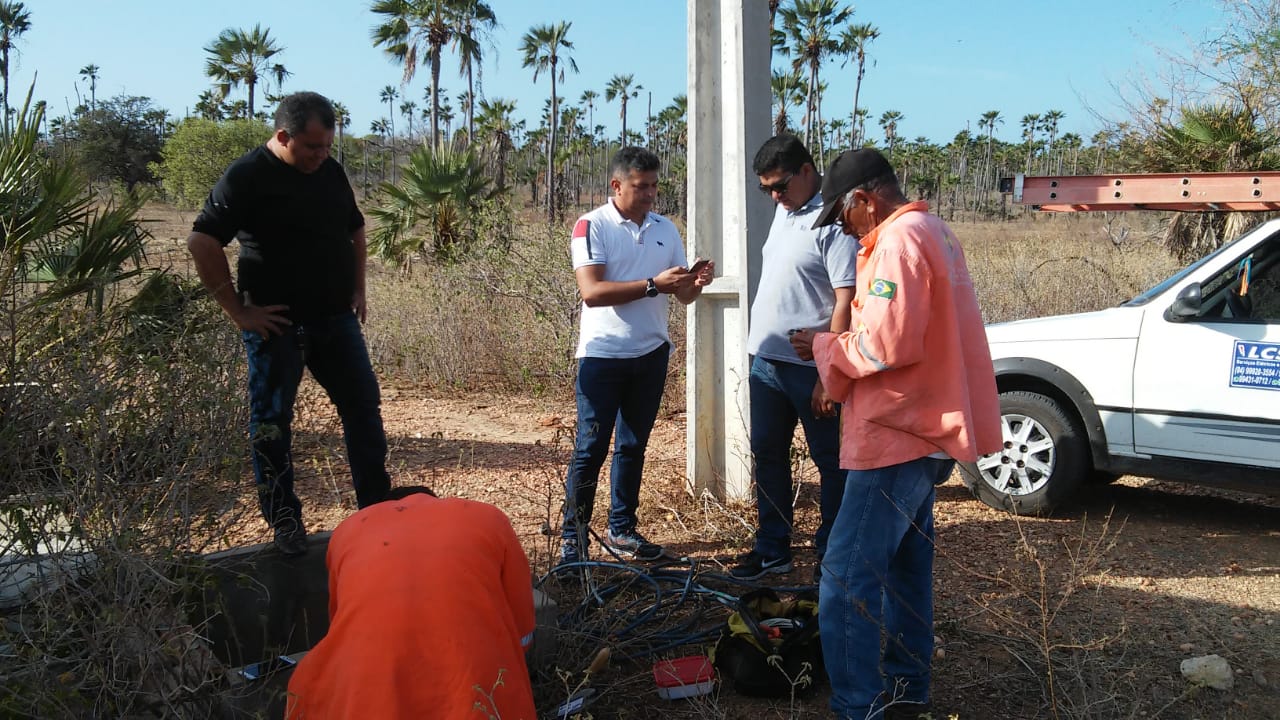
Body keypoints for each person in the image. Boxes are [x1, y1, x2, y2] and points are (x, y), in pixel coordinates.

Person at [790, 148, 1001, 720]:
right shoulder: (936, 231)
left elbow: (885, 345)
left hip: (895, 433)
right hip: (926, 430)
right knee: (906, 571)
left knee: (845, 577)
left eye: (841, 217)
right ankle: (909, 689)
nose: (843, 229)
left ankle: (859, 705)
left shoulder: (898, 242)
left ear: (864, 200)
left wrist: (822, 347)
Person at [187, 91, 391, 556]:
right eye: (312, 148)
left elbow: (355, 228)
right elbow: (202, 241)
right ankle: (285, 523)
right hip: (275, 327)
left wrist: (358, 288)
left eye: (327, 147)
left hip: (336, 320)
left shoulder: (330, 172)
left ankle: (377, 510)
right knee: (272, 424)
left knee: (363, 410)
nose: (321, 156)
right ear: (283, 136)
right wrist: (238, 311)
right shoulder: (246, 177)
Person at [561, 146, 715, 564]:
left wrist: (696, 281)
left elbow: (682, 295)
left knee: (632, 446)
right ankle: (573, 541)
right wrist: (652, 284)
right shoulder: (590, 225)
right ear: (617, 185)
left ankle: (622, 531)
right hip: (603, 356)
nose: (649, 194)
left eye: (654, 186)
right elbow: (592, 293)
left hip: (650, 354)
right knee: (590, 449)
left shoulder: (666, 228)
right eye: (640, 186)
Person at [285, 486, 537, 719]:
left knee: (307, 685)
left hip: (364, 698)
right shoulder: (488, 518)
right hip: (476, 696)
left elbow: (339, 620)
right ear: (434, 501)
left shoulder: (346, 531)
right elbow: (522, 629)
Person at [730, 134, 856, 582]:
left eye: (780, 185)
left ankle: (832, 557)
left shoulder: (834, 220)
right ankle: (772, 550)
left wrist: (831, 369)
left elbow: (847, 299)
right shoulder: (785, 213)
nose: (775, 197)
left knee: (831, 462)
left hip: (812, 368)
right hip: (766, 361)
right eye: (767, 190)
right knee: (768, 455)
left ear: (807, 170)